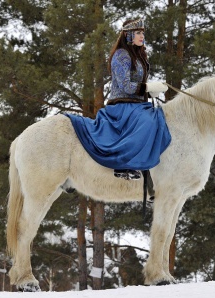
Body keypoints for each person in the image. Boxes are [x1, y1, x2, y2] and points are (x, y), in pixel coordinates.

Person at [66, 19, 171, 180]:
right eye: (138, 33)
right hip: (122, 106)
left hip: (137, 104)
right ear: (128, 35)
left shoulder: (138, 57)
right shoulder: (121, 55)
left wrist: (151, 93)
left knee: (159, 119)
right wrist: (149, 87)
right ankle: (125, 164)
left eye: (142, 32)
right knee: (147, 121)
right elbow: (126, 86)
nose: (142, 36)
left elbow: (137, 87)